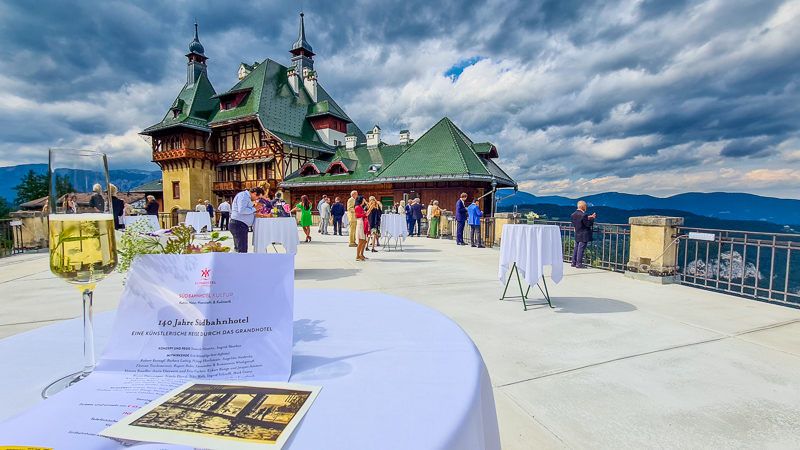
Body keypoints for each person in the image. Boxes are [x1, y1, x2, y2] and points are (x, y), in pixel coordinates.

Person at [230, 187, 264, 253]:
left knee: (241, 248)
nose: (257, 200)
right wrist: (254, 209)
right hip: (238, 224)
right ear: (254, 193)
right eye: (258, 197)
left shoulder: (246, 197)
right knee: (241, 249)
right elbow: (242, 210)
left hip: (241, 224)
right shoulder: (243, 196)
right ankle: (241, 262)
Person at [571, 201, 596, 269]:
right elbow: (587, 224)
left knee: (576, 248)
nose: (586, 208)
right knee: (581, 249)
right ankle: (579, 263)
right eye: (586, 206)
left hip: (577, 233)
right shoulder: (583, 215)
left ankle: (574, 262)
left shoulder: (573, 214)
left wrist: (588, 217)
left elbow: (580, 221)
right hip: (584, 234)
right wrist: (592, 219)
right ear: (583, 207)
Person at [354, 195, 369, 261]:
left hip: (363, 222)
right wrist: (365, 214)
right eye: (363, 200)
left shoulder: (361, 207)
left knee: (364, 240)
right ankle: (357, 256)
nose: (364, 201)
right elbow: (357, 215)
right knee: (361, 240)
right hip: (360, 223)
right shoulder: (357, 207)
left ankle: (361, 254)